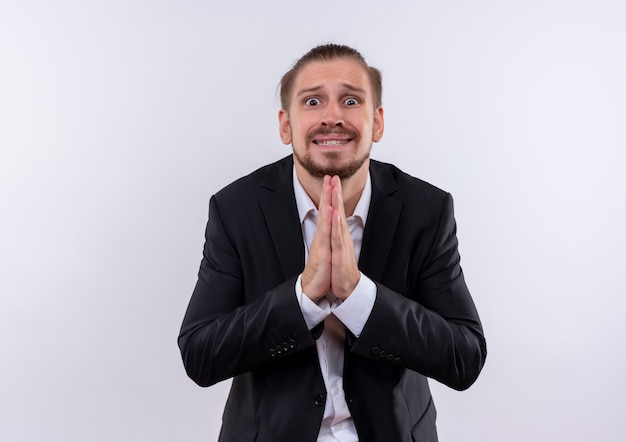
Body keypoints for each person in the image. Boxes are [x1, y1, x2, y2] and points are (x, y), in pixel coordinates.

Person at [178, 43, 486, 442]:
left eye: (350, 100)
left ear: (377, 121)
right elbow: (200, 355)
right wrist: (303, 299)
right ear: (286, 125)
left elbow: (465, 357)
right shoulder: (236, 209)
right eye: (312, 101)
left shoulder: (425, 210)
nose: (332, 117)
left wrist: (359, 297)